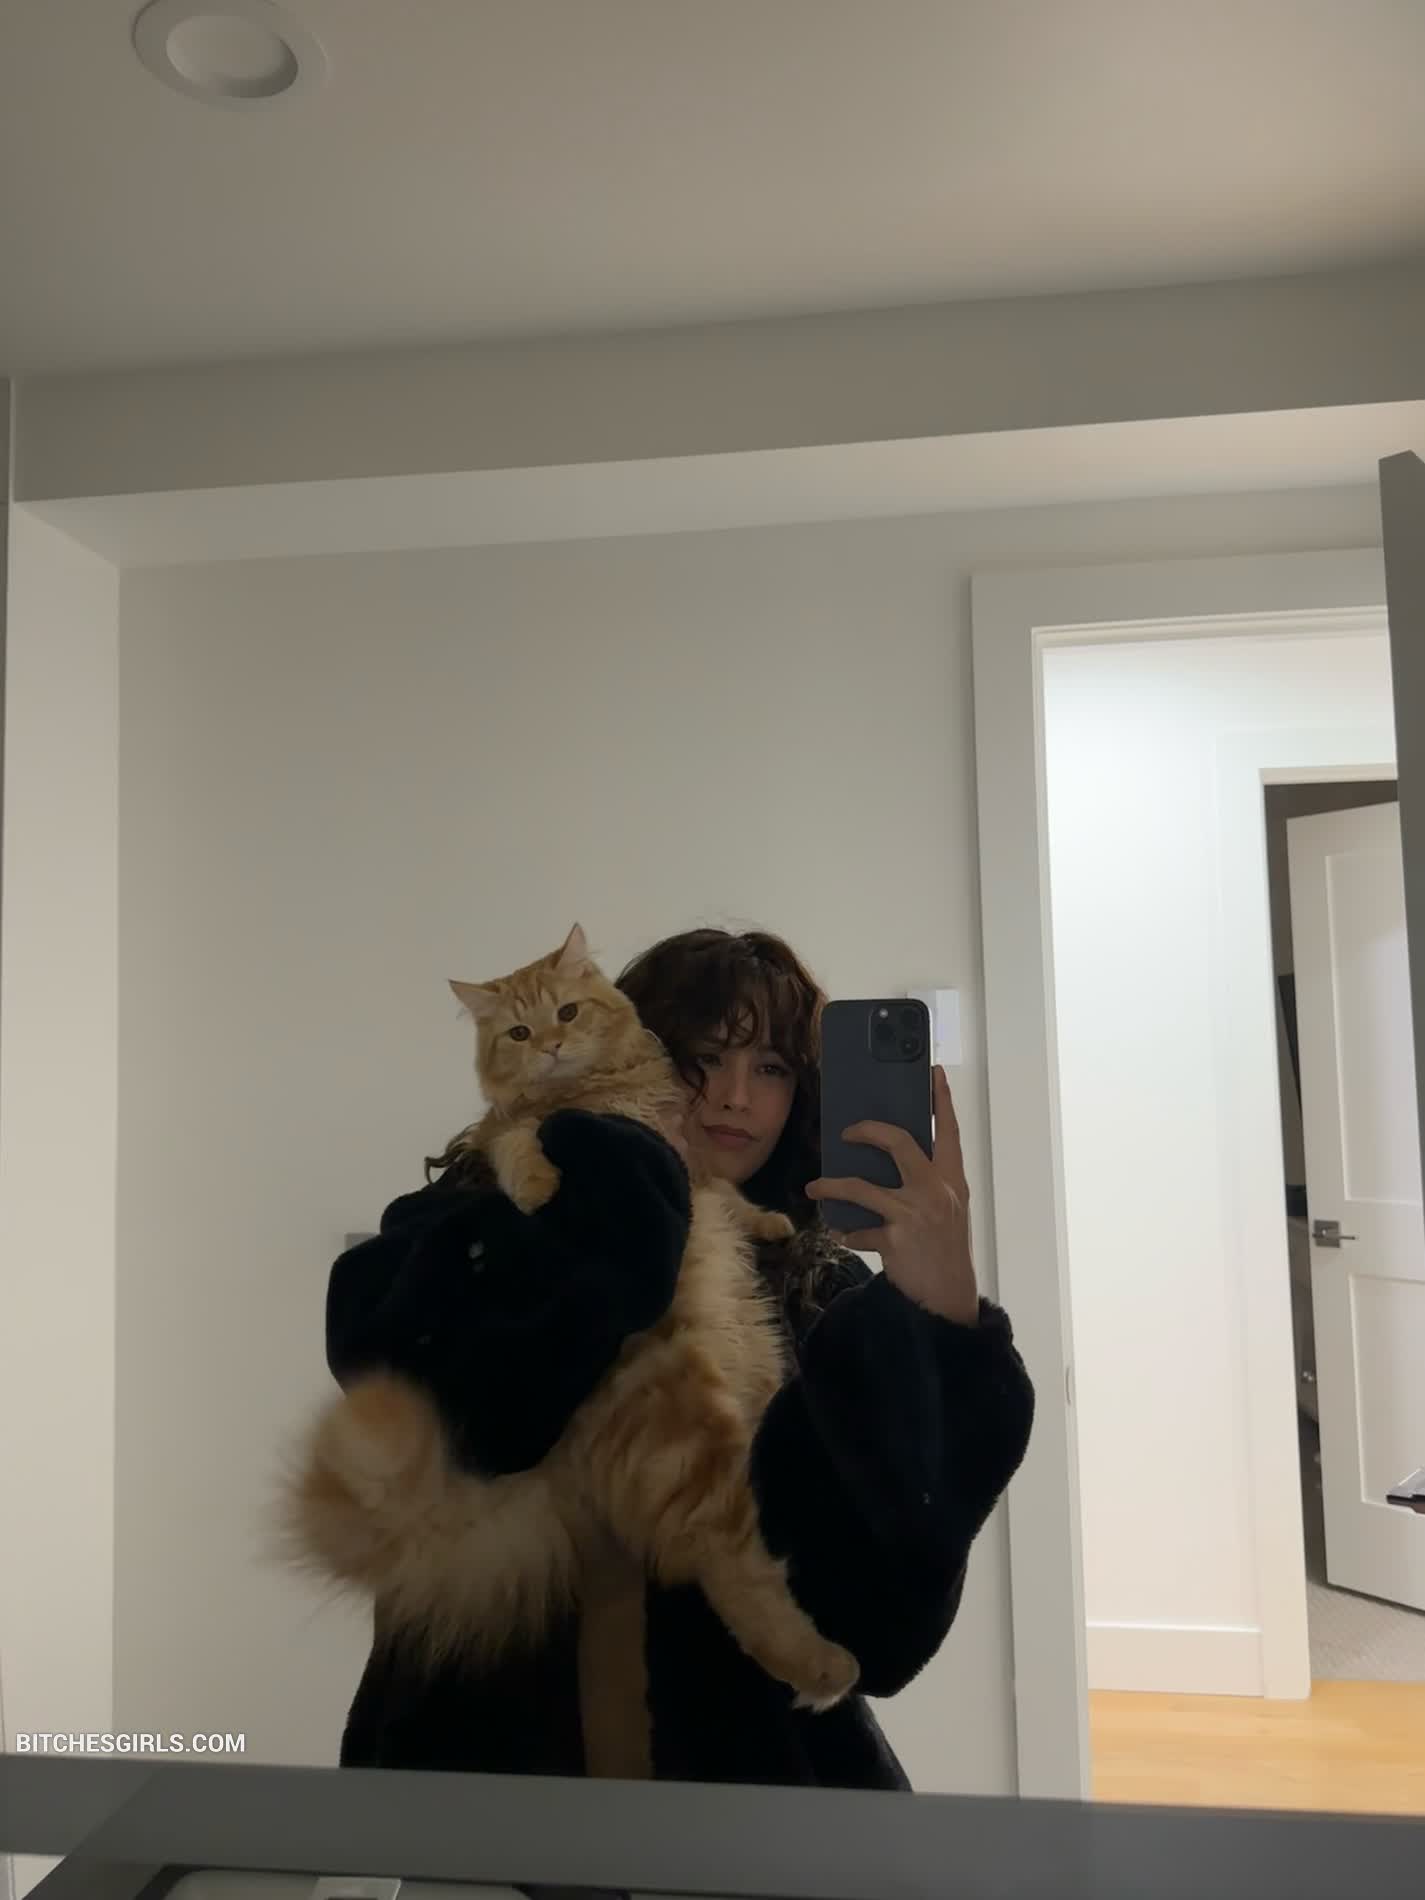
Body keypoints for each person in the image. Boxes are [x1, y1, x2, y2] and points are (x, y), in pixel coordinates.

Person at [327, 928, 1034, 1789]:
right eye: (702, 1058)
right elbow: (447, 1413)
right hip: (480, 1785)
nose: (733, 1098)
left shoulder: (821, 1296)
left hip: (748, 1799)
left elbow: (878, 1633)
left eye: (770, 1068)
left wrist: (941, 1313)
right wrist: (625, 1189)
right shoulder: (473, 1222)